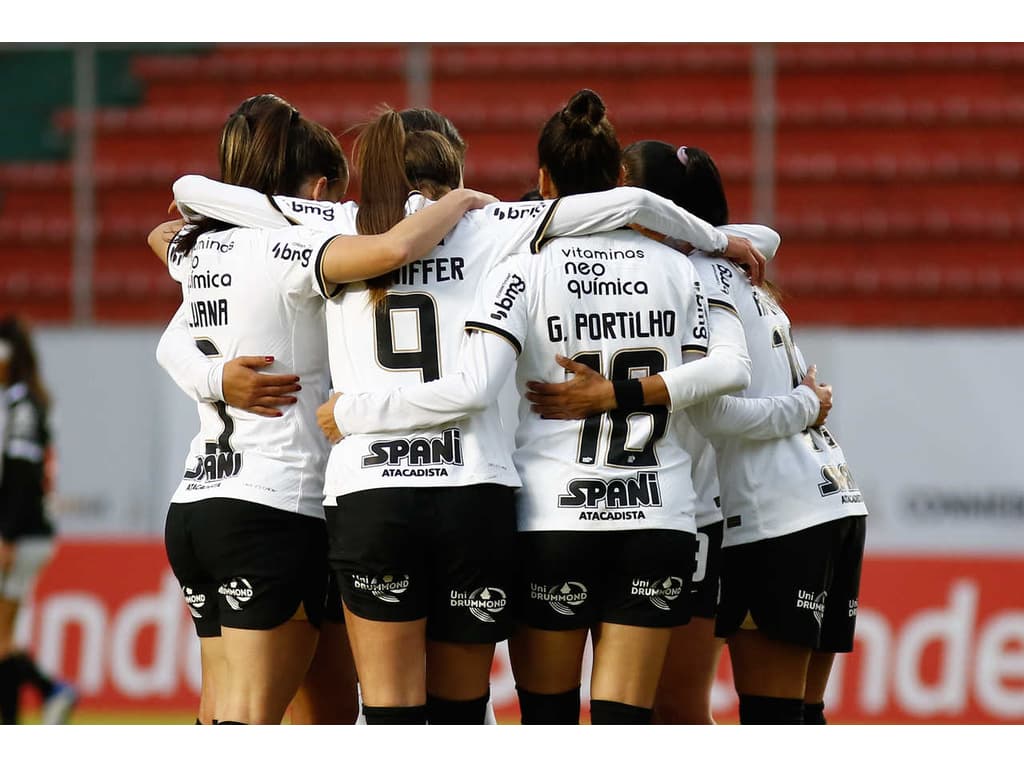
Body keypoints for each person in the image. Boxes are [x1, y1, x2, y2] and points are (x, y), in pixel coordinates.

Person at [164, 98, 768, 725]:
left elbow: (197, 192)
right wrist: (722, 240)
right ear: (454, 169)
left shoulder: (339, 226)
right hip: (472, 493)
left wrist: (185, 248)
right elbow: (635, 206)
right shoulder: (496, 224)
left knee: (391, 716)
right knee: (463, 718)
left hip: (372, 494)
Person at [148, 95, 497, 725]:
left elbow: (168, 303)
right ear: (317, 188)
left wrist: (212, 377)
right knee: (249, 721)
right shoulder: (296, 250)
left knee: (308, 714)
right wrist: (462, 201)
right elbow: (392, 250)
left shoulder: (202, 249)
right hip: (278, 501)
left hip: (203, 498)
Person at [530, 142, 865, 725]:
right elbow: (762, 238)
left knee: (702, 714)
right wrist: (806, 405)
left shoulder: (697, 274)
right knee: (790, 718)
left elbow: (717, 411)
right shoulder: (731, 264)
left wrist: (801, 407)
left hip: (762, 518)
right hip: (823, 501)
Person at [0, 315, 78, 725]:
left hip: (22, 532)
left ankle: (29, 709)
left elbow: (21, 472)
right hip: (28, 530)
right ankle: (46, 695)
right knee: (3, 637)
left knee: (1, 638)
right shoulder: (30, 399)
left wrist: (7, 534)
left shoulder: (23, 404)